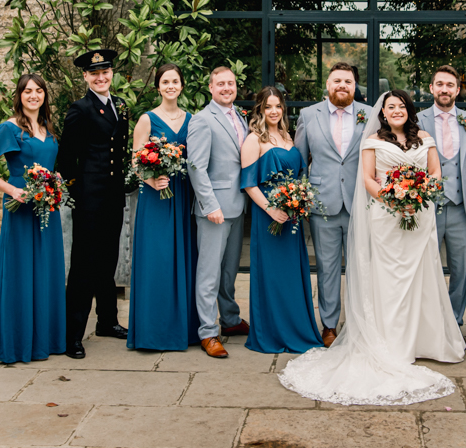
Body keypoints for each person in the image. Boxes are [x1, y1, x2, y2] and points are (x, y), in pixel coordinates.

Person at [279, 90, 465, 406]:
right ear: (383, 112)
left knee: (422, 276)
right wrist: (394, 198)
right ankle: (391, 342)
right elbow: (367, 179)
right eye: (390, 106)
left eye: (401, 106)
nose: (396, 110)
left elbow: (435, 173)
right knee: (388, 280)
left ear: (409, 110)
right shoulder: (372, 141)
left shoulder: (424, 138)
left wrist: (417, 194)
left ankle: (424, 340)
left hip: (419, 217)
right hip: (386, 217)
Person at [0, 74, 65, 363]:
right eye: (28, 91)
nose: (33, 96)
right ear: (19, 95)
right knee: (21, 271)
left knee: (46, 271)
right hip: (21, 207)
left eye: (39, 91)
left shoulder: (48, 128)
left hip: (47, 208)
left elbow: (49, 165)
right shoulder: (9, 128)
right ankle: (17, 344)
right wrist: (13, 189)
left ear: (44, 96)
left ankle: (45, 341)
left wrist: (56, 181)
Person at [57, 50, 130, 359]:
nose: (101, 77)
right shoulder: (80, 109)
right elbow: (65, 158)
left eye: (106, 71)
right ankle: (71, 334)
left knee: (108, 261)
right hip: (89, 199)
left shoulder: (120, 106)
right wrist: (78, 191)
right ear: (85, 77)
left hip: (113, 197)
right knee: (83, 268)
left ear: (111, 73)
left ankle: (107, 321)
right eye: (94, 73)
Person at [240, 87, 324, 354]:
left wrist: (297, 202)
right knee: (273, 276)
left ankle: (296, 327)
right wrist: (271, 210)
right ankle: (272, 332)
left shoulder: (289, 136)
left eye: (278, 106)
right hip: (269, 218)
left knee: (291, 275)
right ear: (260, 110)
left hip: (291, 217)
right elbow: (249, 184)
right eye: (268, 107)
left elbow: (300, 175)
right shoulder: (254, 139)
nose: (274, 111)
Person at [293, 62, 370, 347]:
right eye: (337, 80)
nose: (342, 85)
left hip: (359, 202)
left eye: (348, 81)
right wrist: (299, 199)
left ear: (354, 86)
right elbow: (300, 161)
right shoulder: (308, 115)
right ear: (327, 84)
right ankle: (329, 326)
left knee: (360, 267)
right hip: (322, 203)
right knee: (326, 268)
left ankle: (359, 323)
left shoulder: (370, 114)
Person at [127, 64, 200, 351]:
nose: (171, 86)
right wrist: (150, 178)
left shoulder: (192, 120)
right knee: (156, 260)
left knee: (184, 259)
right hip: (155, 197)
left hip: (182, 195)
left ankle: (185, 328)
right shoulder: (147, 119)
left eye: (175, 81)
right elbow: (135, 160)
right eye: (165, 81)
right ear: (159, 86)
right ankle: (152, 331)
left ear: (182, 86)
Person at [187, 66, 250, 358]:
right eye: (221, 84)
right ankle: (208, 332)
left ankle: (231, 319)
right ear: (210, 87)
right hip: (215, 209)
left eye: (231, 83)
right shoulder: (202, 120)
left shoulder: (240, 117)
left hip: (239, 204)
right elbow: (196, 166)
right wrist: (209, 204)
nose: (227, 88)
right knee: (209, 272)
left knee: (229, 271)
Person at [417, 65, 466, 326]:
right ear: (431, 88)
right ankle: (428, 325)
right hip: (426, 205)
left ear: (458, 90)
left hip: (461, 206)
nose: (445, 89)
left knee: (460, 269)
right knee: (425, 268)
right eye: (440, 84)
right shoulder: (417, 120)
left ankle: (454, 323)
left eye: (450, 85)